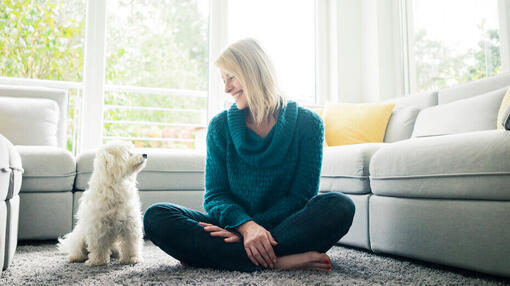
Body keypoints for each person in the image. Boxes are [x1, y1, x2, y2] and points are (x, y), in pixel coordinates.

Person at [143, 38, 355, 272]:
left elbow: (300, 197)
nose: (226, 88)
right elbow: (215, 196)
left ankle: (224, 257)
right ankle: (278, 262)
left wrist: (255, 230)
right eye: (223, 80)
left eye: (231, 77)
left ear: (255, 70)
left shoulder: (309, 124)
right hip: (236, 224)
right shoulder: (220, 127)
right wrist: (245, 226)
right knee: (157, 216)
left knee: (340, 206)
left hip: (281, 227)